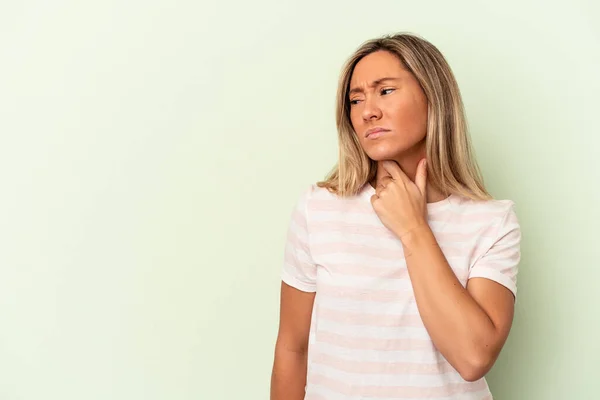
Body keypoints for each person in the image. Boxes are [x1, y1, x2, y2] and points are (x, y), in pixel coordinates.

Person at [270, 32, 521, 400]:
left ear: (433, 97)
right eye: (356, 100)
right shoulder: (319, 208)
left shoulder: (491, 222)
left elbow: (473, 357)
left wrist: (413, 228)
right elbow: (293, 348)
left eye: (385, 91)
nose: (368, 110)